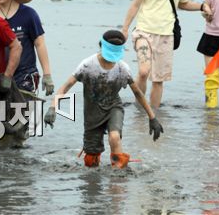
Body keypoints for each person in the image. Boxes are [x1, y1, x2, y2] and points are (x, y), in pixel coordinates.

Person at [44, 30, 163, 169]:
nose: (111, 60)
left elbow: (137, 92)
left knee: (114, 137)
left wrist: (152, 117)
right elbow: (65, 86)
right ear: (101, 45)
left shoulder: (122, 68)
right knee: (91, 163)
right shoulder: (87, 65)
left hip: (113, 107)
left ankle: (118, 175)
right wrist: (52, 107)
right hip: (92, 113)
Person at [121, 0, 212, 109]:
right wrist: (125, 28)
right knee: (143, 71)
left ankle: (153, 115)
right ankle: (140, 109)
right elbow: (135, 4)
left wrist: (201, 6)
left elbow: (182, 3)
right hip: (144, 32)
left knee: (158, 79)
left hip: (166, 35)